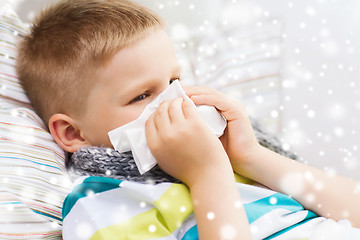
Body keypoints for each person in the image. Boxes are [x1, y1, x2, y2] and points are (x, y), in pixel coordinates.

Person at [16, 0, 359, 239]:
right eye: (142, 96)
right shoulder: (99, 205)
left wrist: (250, 157)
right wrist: (207, 175)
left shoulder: (225, 152)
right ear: (73, 132)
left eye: (175, 81)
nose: (175, 101)